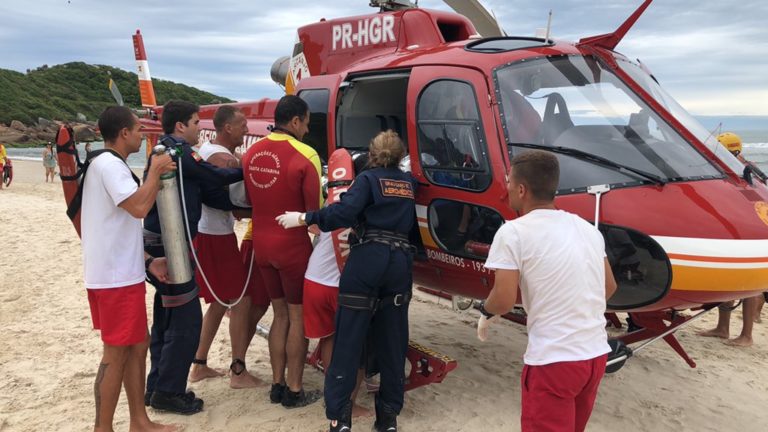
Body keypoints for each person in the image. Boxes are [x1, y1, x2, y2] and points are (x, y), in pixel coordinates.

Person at [276, 130, 417, 432]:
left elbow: (344, 212)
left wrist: (304, 218)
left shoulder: (367, 180)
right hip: (400, 263)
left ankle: (340, 419)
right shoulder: (408, 184)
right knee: (393, 343)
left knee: (348, 341)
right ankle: (388, 417)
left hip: (368, 260)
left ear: (373, 154)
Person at [477, 150, 617, 432]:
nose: (505, 192)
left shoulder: (513, 232)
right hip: (594, 355)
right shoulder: (586, 228)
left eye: (507, 184)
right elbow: (609, 287)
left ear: (521, 189)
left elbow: (503, 300)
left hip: (554, 360)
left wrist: (485, 311)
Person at [143, 100, 243, 415]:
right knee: (186, 319)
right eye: (197, 122)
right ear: (181, 126)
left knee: (167, 316)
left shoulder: (168, 151)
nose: (201, 128)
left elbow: (206, 189)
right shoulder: (176, 152)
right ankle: (169, 392)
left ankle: (156, 387)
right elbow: (212, 174)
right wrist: (248, 169)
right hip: (170, 245)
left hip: (164, 242)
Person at [81, 106, 177, 432]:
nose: (142, 134)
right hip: (114, 279)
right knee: (116, 352)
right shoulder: (111, 166)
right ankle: (103, 428)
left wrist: (148, 261)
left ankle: (139, 420)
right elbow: (138, 207)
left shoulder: (105, 164)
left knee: (138, 345)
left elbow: (118, 225)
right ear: (123, 133)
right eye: (138, 129)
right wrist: (154, 172)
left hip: (121, 273)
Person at [242, 94, 323, 408]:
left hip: (261, 243)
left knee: (279, 315)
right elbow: (313, 213)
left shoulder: (250, 153)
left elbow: (251, 201)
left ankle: (276, 384)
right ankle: (294, 389)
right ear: (295, 121)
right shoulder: (307, 155)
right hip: (292, 246)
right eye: (305, 124)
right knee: (297, 317)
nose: (306, 130)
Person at [188, 105, 265, 388]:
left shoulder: (210, 152)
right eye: (243, 124)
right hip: (215, 236)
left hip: (209, 233)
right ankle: (238, 371)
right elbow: (236, 209)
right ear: (228, 128)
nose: (247, 129)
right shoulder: (224, 161)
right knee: (240, 302)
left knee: (220, 303)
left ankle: (199, 364)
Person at [698, 132, 765, 346]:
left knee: (749, 287)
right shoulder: (731, 170)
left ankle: (747, 335)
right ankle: (722, 328)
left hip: (752, 232)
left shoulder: (748, 172)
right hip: (735, 230)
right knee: (729, 282)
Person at [303, 229, 373, 418]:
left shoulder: (331, 199)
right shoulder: (361, 200)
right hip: (341, 284)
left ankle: (332, 396)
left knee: (329, 336)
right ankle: (348, 404)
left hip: (314, 277)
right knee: (359, 344)